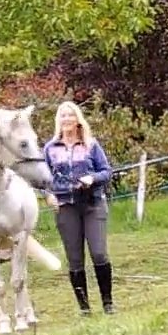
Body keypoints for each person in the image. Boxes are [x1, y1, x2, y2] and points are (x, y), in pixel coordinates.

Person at [43, 100, 116, 316]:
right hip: (66, 207)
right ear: (58, 120)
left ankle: (108, 303)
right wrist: (47, 195)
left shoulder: (91, 145)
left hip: (93, 204)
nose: (67, 119)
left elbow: (106, 172)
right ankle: (84, 307)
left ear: (78, 120)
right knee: (74, 258)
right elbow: (42, 178)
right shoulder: (49, 148)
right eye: (63, 115)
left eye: (70, 115)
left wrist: (92, 178)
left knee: (99, 253)